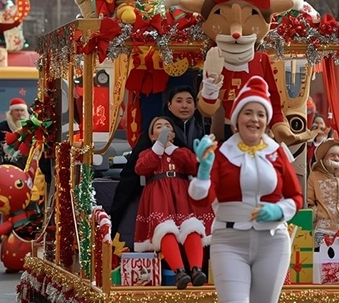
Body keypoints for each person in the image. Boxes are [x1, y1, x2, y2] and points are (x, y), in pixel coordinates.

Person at [189, 76, 302, 303]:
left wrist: (279, 211)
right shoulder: (221, 153)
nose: (254, 119)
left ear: (267, 121)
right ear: (236, 120)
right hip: (230, 240)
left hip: (272, 240)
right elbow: (201, 202)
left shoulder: (277, 153)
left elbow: (296, 197)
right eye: (248, 112)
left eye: (261, 114)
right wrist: (203, 172)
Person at [110, 86, 205, 242]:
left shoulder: (201, 129)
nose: (184, 106)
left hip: (189, 190)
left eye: (189, 101)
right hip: (159, 190)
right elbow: (135, 168)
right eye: (179, 101)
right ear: (169, 105)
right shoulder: (158, 127)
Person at [134, 116, 208, 289]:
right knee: (164, 230)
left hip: (181, 194)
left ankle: (197, 269)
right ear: (152, 136)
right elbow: (141, 168)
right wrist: (159, 147)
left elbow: (192, 165)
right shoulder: (146, 153)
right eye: (159, 126)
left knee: (191, 228)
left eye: (168, 126)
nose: (164, 128)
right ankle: (179, 272)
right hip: (158, 195)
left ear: (174, 134)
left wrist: (171, 148)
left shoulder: (181, 151)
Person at [0, 98, 29, 168]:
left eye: (22, 110)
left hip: (26, 163)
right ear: (11, 112)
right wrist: (3, 145)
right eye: (17, 110)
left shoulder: (29, 126)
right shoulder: (3, 126)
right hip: (7, 164)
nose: (19, 113)